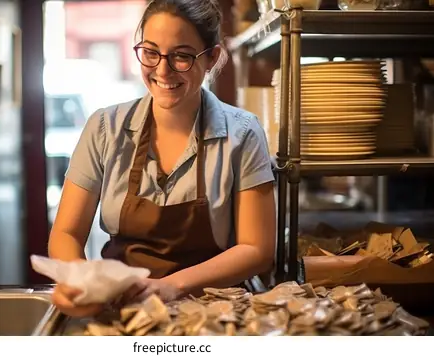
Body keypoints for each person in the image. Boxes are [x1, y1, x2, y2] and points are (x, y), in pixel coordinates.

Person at [48, 0, 277, 317]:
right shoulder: (104, 128)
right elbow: (66, 234)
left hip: (216, 310)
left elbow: (257, 249)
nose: (162, 70)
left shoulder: (243, 133)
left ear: (211, 58)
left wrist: (172, 286)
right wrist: (81, 281)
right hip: (124, 308)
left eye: (182, 56)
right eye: (151, 52)